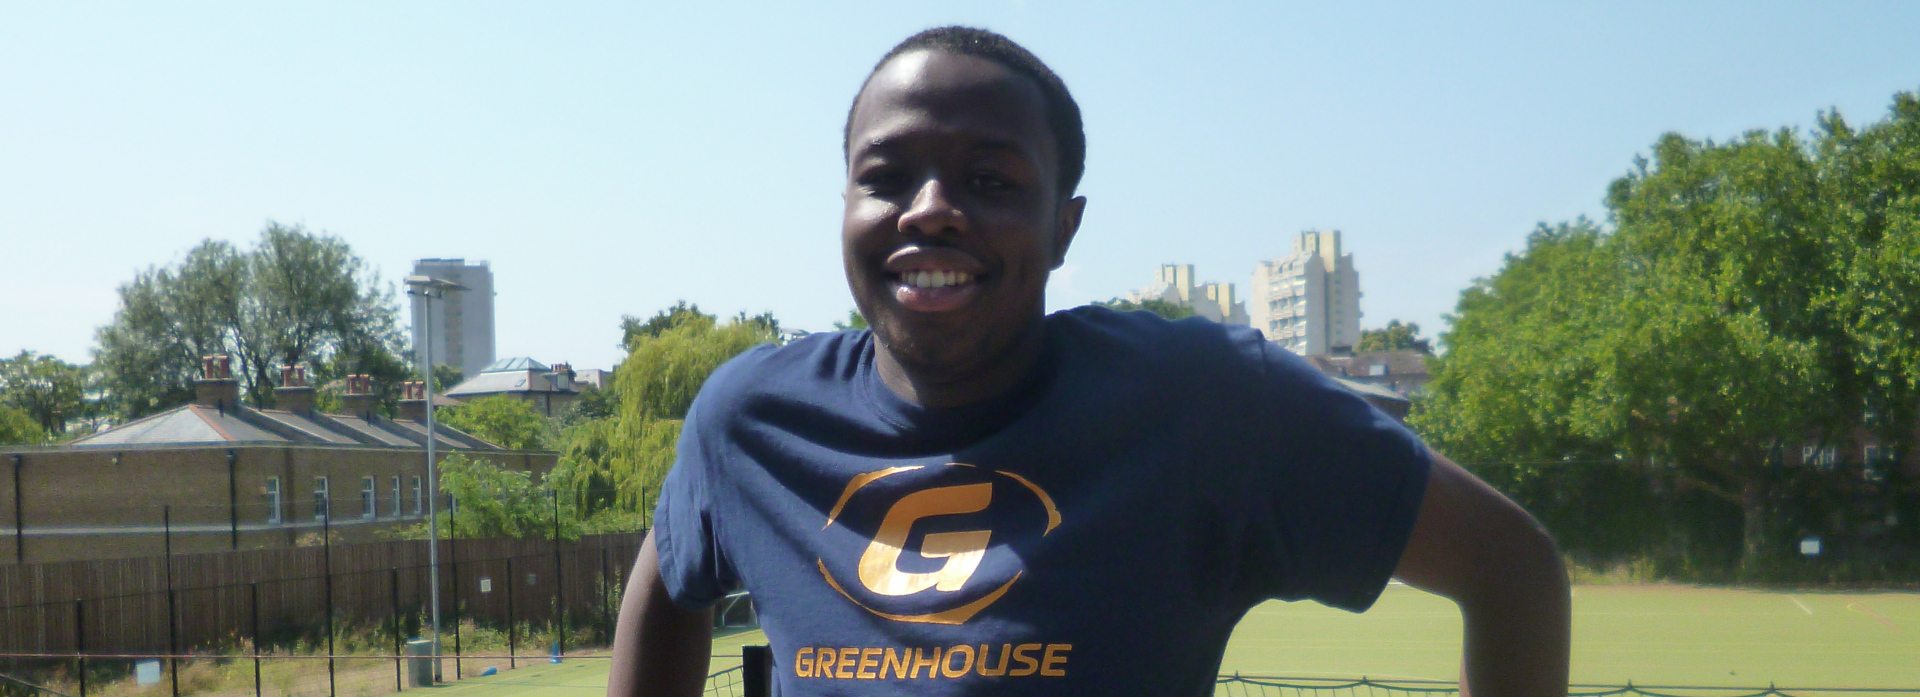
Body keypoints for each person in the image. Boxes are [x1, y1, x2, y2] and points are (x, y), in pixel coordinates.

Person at [607, 26, 1570, 697]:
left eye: (989, 179)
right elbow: (669, 577)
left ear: (1064, 226)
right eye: (886, 177)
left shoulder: (1200, 401)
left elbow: (1511, 566)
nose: (930, 208)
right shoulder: (749, 418)